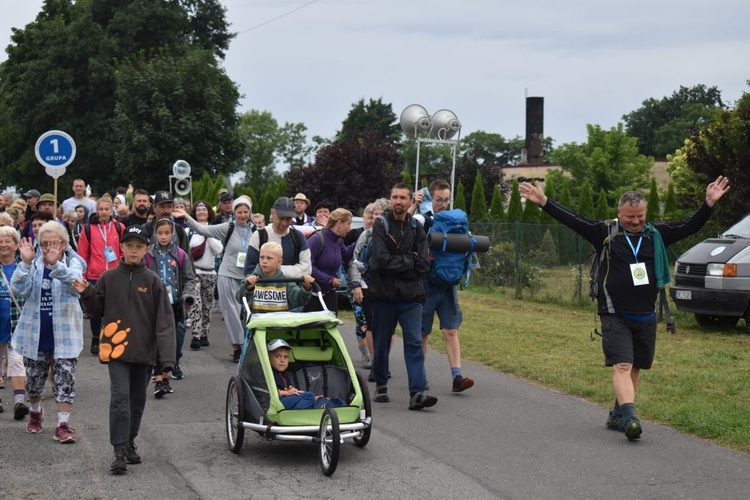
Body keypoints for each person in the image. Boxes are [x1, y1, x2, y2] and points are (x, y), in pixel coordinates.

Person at [519, 176, 730, 441]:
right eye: (630, 217)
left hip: (645, 314)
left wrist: (708, 204)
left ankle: (617, 414)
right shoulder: (605, 233)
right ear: (620, 213)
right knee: (622, 364)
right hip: (613, 312)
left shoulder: (656, 235)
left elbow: (688, 226)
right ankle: (630, 418)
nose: (635, 221)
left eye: (640, 216)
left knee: (636, 366)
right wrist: (545, 203)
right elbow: (573, 219)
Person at [73, 224, 176, 475]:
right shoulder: (109, 278)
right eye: (129, 246)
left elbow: (164, 321)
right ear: (121, 247)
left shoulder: (153, 281)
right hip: (115, 351)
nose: (133, 250)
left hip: (144, 352)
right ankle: (118, 450)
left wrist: (167, 361)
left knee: (137, 402)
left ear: (146, 250)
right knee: (120, 399)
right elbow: (97, 310)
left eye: (139, 247)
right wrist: (87, 292)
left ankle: (130, 441)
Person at [11, 221, 87, 442]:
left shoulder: (74, 262)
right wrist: (24, 263)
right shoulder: (32, 263)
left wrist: (56, 266)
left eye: (53, 243)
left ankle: (63, 424)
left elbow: (76, 286)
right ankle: (35, 413)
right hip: (36, 334)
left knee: (65, 380)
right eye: (43, 243)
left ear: (63, 244)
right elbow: (19, 289)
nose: (47, 248)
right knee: (33, 382)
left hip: (66, 334)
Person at [369, 183, 436, 411]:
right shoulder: (381, 225)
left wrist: (398, 261)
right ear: (390, 200)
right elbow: (378, 261)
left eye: (403, 198)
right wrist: (409, 260)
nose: (398, 201)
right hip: (384, 297)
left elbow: (424, 264)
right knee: (381, 342)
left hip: (411, 297)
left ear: (410, 202)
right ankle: (380, 383)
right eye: (395, 197)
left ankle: (416, 393)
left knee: (415, 343)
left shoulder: (417, 229)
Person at [412, 179, 475, 393]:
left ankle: (457, 376)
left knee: (451, 331)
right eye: (439, 200)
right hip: (426, 284)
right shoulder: (423, 219)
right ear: (432, 198)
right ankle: (419, 377)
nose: (443, 204)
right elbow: (406, 229)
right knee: (423, 334)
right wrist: (414, 205)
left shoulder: (455, 222)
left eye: (447, 200)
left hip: (448, 286)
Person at [174, 196, 254, 362]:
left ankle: (247, 344)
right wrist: (186, 216)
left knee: (244, 313)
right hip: (227, 275)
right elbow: (204, 230)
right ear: (234, 212)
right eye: (239, 212)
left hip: (247, 278)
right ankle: (237, 347)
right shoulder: (227, 227)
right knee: (231, 312)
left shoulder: (256, 230)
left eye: (246, 212)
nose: (243, 215)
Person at [146, 218, 197, 390]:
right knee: (158, 339)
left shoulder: (181, 254)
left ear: (173, 234)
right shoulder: (148, 254)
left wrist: (187, 297)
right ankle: (160, 378)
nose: (163, 237)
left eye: (167, 233)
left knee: (173, 339)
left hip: (175, 303)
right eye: (160, 233)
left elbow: (190, 278)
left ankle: (167, 370)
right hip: (154, 304)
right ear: (155, 234)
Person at [77, 194, 125, 355]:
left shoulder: (119, 227)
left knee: (114, 308)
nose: (104, 212)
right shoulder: (89, 229)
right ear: (96, 211)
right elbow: (82, 253)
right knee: (95, 309)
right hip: (94, 274)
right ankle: (96, 337)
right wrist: (82, 274)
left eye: (107, 209)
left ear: (112, 210)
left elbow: (123, 251)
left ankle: (111, 338)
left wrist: (123, 268)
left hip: (115, 274)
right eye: (101, 209)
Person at [348, 199, 389, 370]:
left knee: (387, 328)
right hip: (367, 286)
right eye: (374, 215)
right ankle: (373, 361)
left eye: (380, 215)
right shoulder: (366, 235)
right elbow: (355, 261)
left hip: (389, 288)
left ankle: (382, 359)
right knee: (367, 323)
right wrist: (357, 284)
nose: (376, 218)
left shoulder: (396, 235)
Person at [243, 197, 312, 282]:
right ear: (272, 213)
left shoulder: (298, 237)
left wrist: (273, 270)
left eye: (288, 219)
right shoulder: (259, 235)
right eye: (281, 218)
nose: (284, 223)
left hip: (292, 293)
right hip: (264, 292)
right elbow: (249, 270)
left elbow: (307, 269)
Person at [267, 338, 346, 409]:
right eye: (278, 356)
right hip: (274, 402)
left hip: (285, 400)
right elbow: (266, 392)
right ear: (268, 357)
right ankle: (297, 416)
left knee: (314, 397)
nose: (282, 360)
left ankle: (322, 403)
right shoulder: (266, 373)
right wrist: (286, 392)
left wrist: (292, 390)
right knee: (309, 397)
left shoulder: (285, 375)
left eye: (286, 357)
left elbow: (287, 390)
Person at [187, 201, 223, 349]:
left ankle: (204, 333)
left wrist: (207, 233)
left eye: (204, 210)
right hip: (194, 272)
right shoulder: (188, 231)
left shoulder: (214, 230)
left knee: (207, 305)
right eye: (198, 210)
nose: (201, 212)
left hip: (210, 273)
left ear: (209, 212)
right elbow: (186, 250)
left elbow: (218, 250)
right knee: (196, 304)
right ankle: (195, 335)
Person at [305, 208, 354, 315]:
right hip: (313, 294)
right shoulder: (316, 239)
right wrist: (329, 280)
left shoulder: (339, 240)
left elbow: (347, 254)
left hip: (329, 293)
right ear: (339, 223)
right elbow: (308, 267)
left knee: (331, 327)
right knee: (313, 330)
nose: (349, 228)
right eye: (348, 224)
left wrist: (363, 238)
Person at [0, 226, 27, 417]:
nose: (3, 245)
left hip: (18, 321)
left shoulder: (24, 266)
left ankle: (19, 403)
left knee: (17, 361)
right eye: (0, 241)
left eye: (7, 241)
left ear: (16, 245)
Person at [241, 242, 314, 314]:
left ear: (279, 262)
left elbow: (298, 300)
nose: (264, 261)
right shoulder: (250, 280)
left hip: (279, 324)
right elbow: (239, 299)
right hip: (256, 324)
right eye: (262, 257)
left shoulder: (286, 282)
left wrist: (306, 288)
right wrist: (248, 288)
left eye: (269, 258)